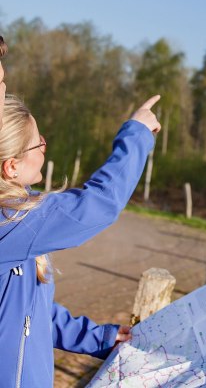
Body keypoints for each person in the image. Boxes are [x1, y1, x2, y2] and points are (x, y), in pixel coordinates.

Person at [0, 84, 161, 387]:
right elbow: (96, 206)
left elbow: (29, 316)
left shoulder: (17, 224)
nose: (45, 145)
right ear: (11, 166)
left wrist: (99, 338)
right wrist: (137, 133)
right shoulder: (10, 221)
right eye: (39, 144)